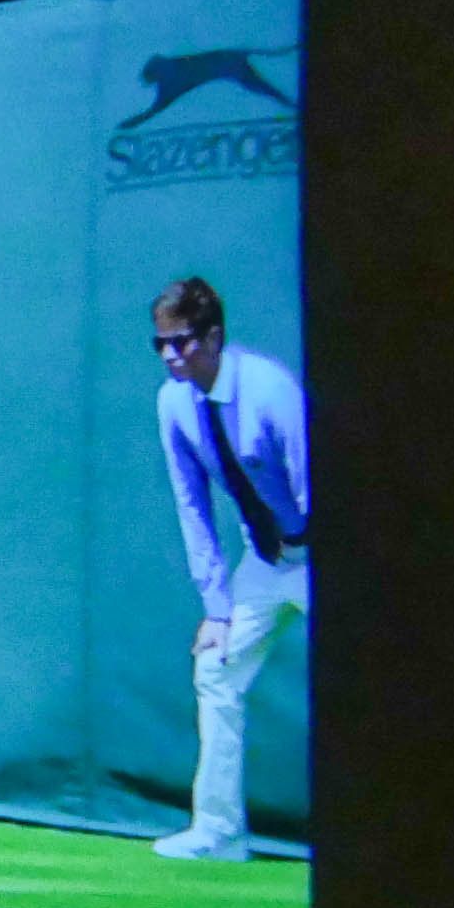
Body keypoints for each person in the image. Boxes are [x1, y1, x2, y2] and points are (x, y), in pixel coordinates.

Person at [147, 275, 307, 861]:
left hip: (318, 556)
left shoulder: (271, 391)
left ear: (213, 337)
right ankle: (219, 832)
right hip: (263, 563)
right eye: (160, 343)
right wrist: (216, 605)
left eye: (182, 341)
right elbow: (192, 504)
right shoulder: (172, 401)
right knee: (214, 669)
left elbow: (314, 484)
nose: (170, 354)